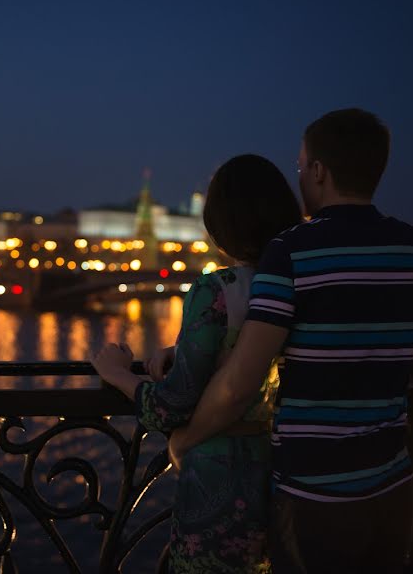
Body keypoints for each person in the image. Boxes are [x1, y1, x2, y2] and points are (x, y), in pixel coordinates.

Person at [168, 109, 413, 573]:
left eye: (300, 167)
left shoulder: (292, 250)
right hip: (393, 479)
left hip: (316, 487)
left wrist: (187, 438)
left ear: (318, 171)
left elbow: (240, 381)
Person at [91, 154, 302, 574]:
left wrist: (115, 373)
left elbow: (171, 405)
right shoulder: (296, 285)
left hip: (217, 481)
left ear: (220, 225)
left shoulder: (215, 290)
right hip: (285, 474)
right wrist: (182, 347)